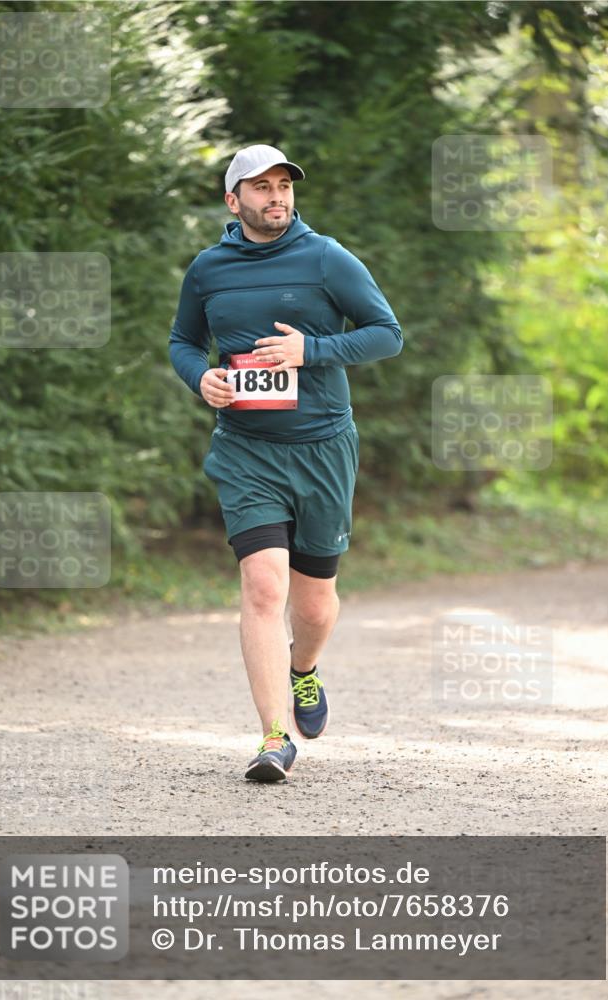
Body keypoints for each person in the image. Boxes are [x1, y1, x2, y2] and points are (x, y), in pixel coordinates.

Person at [169, 144, 403, 782]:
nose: (277, 197)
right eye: (262, 187)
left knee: (315, 603)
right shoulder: (208, 269)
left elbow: (388, 333)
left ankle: (304, 668)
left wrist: (312, 350)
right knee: (264, 584)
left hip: (323, 447)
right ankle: (274, 737)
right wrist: (202, 378)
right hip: (246, 450)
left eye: (284, 186)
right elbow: (183, 340)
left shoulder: (326, 257)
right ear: (233, 199)